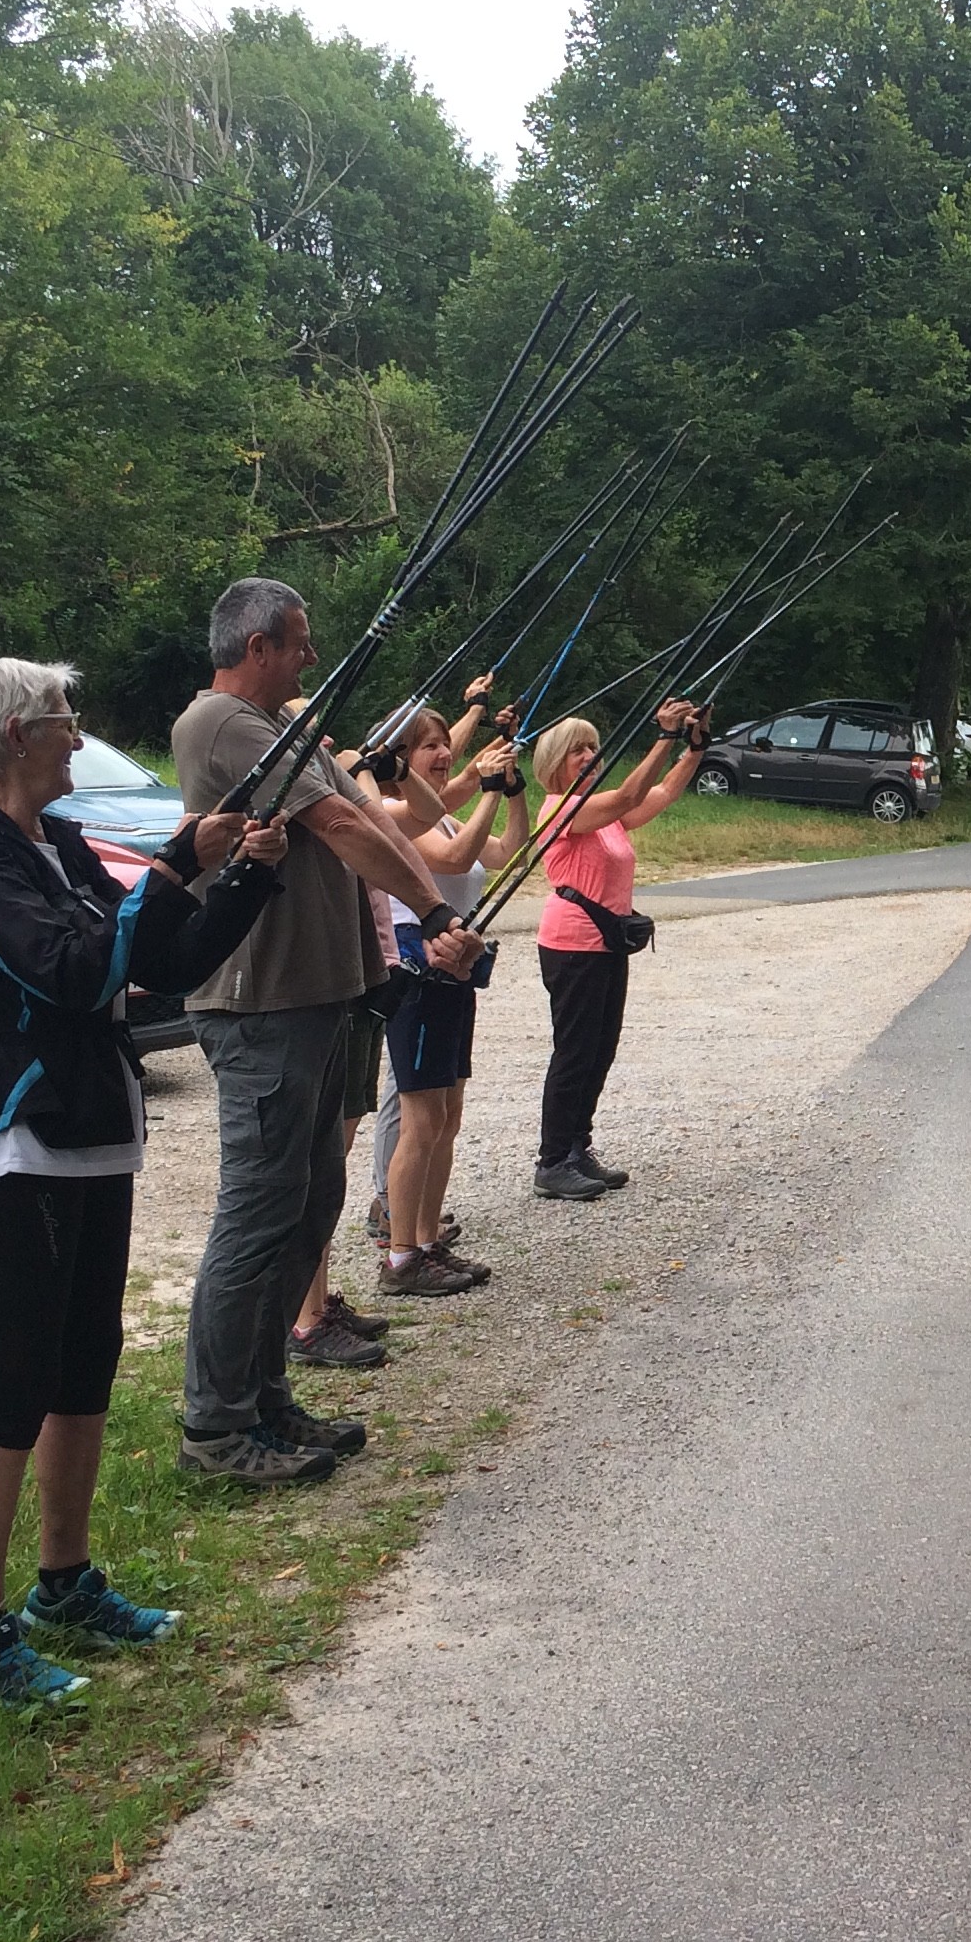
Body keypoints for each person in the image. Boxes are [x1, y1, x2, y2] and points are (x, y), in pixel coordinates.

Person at [0, 656, 285, 1709]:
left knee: (85, 1367)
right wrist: (165, 869)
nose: (80, 733)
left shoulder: (49, 842)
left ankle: (63, 1583)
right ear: (18, 736)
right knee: (15, 1380)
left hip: (96, 1129)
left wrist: (238, 873)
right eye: (67, 718)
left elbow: (155, 964)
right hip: (19, 1136)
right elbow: (69, 969)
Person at [173, 579, 483, 1482]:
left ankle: (264, 1399)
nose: (311, 658)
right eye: (300, 643)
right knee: (257, 1211)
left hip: (323, 1000)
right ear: (260, 644)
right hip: (259, 1005)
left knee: (310, 1202)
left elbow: (372, 805)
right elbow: (342, 821)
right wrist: (434, 911)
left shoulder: (282, 732)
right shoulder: (223, 722)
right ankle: (214, 1426)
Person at [526, 698, 705, 1201]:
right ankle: (552, 1159)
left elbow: (662, 792)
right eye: (575, 750)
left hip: (604, 944)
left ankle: (577, 1148)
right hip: (571, 944)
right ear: (553, 764)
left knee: (600, 1050)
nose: (587, 756)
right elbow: (631, 793)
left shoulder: (604, 814)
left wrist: (693, 746)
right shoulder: (562, 810)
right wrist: (663, 737)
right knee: (575, 1051)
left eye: (592, 748)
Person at [375, 711, 527, 1288]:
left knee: (447, 1115)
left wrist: (511, 795)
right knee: (420, 1118)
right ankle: (400, 1255)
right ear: (402, 760)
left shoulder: (442, 819)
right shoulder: (400, 822)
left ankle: (428, 1238)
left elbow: (505, 851)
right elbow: (458, 860)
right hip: (418, 971)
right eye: (427, 747)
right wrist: (486, 789)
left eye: (445, 745)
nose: (442, 754)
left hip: (457, 967)